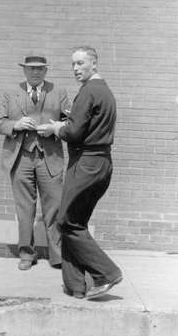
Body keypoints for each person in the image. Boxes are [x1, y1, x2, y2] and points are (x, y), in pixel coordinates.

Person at [37, 46, 123, 299]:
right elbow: (87, 126)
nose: (75, 69)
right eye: (73, 64)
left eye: (81, 63)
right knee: (74, 223)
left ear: (94, 64)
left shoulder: (88, 92)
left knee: (66, 221)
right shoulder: (105, 91)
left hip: (86, 163)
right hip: (101, 163)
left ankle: (106, 273)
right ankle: (75, 286)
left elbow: (74, 133)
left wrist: (57, 129)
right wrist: (68, 122)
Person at [0, 55, 71, 270]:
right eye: (31, 69)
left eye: (40, 69)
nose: (35, 73)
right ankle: (27, 254)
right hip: (21, 157)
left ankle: (57, 256)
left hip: (50, 158)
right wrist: (16, 124)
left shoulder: (59, 92)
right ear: (24, 71)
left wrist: (55, 128)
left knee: (54, 206)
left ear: (46, 71)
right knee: (24, 208)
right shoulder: (11, 93)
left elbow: (70, 121)